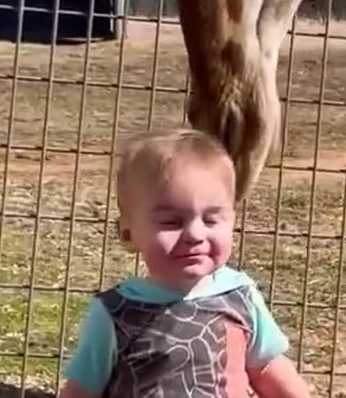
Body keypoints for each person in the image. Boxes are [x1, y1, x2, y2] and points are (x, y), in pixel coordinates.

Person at [58, 127, 311, 398]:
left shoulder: (240, 296)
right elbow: (82, 391)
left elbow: (269, 368)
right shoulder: (116, 314)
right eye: (171, 222)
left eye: (211, 220)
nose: (195, 235)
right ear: (128, 231)